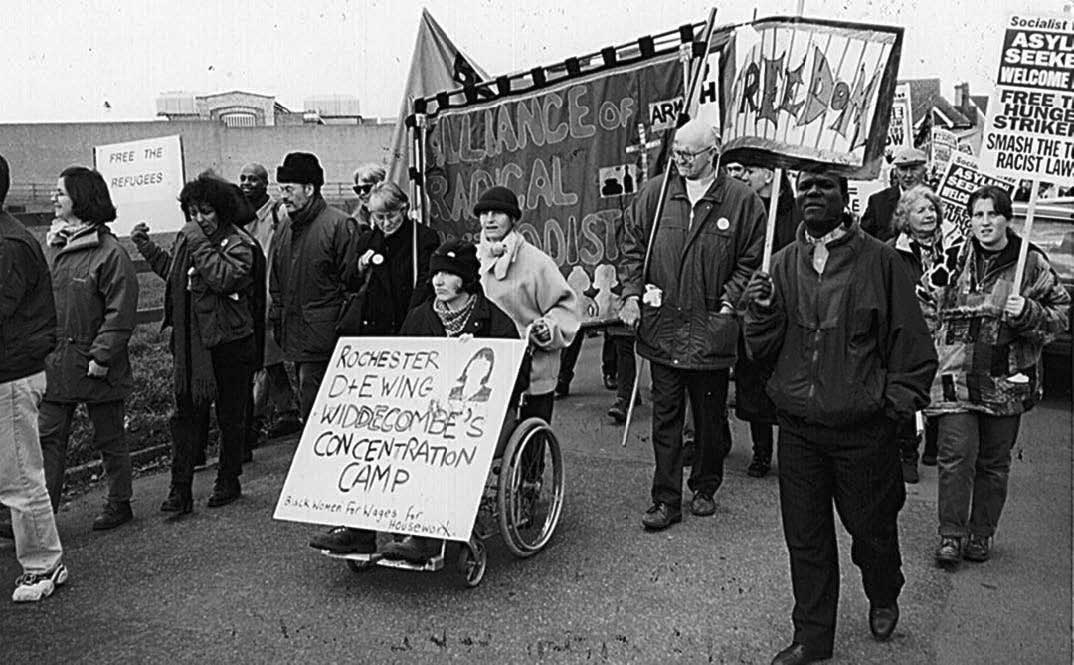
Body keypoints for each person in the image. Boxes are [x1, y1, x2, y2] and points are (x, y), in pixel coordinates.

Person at [743, 166, 937, 665]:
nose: (812, 193)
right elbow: (760, 351)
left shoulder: (882, 262)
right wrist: (760, 314)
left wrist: (891, 407)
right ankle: (812, 636)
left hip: (862, 431)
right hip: (801, 431)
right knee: (805, 540)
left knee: (871, 531)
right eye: (804, 185)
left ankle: (883, 590)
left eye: (823, 185)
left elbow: (911, 348)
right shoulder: (782, 264)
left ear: (844, 195)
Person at [619, 119, 765, 531]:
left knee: (709, 418)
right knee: (665, 419)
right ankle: (665, 499)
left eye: (689, 154)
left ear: (713, 152)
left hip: (710, 331)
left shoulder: (741, 201)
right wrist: (631, 294)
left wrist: (728, 301)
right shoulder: (655, 193)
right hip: (663, 328)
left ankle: (705, 485)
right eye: (677, 152)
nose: (680, 160)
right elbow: (630, 245)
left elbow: (752, 259)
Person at [922, 185, 1069, 567]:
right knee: (955, 456)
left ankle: (981, 534)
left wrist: (1029, 313)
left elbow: (1061, 316)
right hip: (956, 377)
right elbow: (924, 302)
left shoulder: (1031, 264)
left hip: (1006, 382)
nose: (985, 222)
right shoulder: (953, 259)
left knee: (993, 462)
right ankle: (951, 535)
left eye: (993, 214)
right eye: (977, 215)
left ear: (1008, 218)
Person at [306, 181, 438, 555]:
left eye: (391, 215)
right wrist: (361, 264)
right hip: (374, 347)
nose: (386, 223)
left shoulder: (424, 239)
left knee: (409, 442)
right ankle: (361, 527)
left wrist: (411, 333)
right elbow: (346, 280)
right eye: (378, 216)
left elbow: (427, 288)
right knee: (372, 442)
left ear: (405, 208)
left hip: (412, 344)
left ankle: (416, 529)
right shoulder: (369, 239)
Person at [379, 239, 520, 563]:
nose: (439, 281)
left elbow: (515, 378)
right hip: (425, 411)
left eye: (448, 273)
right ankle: (359, 526)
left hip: (481, 415)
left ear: (467, 278)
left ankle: (426, 536)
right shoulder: (419, 319)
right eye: (435, 274)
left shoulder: (495, 322)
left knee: (440, 445)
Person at [132, 174, 259, 511]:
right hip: (192, 346)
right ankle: (179, 490)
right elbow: (174, 274)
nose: (198, 219)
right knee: (185, 417)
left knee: (231, 418)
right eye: (192, 212)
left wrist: (194, 238)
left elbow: (222, 277)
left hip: (230, 344)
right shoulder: (189, 240)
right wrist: (145, 247)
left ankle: (228, 480)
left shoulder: (239, 245)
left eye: (205, 212)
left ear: (221, 212)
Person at [39, 166, 138, 530]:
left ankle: (119, 501)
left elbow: (120, 310)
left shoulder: (110, 253)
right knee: (48, 437)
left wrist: (102, 355)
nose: (54, 198)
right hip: (57, 362)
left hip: (95, 363)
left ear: (80, 199)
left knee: (109, 436)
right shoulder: (55, 246)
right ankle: (42, 512)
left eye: (61, 192)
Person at [0, 154, 69, 602]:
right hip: (9, 369)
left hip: (10, 375)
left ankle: (45, 563)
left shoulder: (8, 245)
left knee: (20, 476)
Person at [475, 186, 581, 426]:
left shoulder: (536, 262)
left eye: (497, 213)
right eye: (484, 213)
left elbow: (566, 307)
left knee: (530, 443)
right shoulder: (471, 259)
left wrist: (547, 327)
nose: (489, 219)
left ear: (512, 219)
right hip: (485, 369)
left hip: (532, 366)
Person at [268, 152, 357, 421]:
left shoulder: (340, 225)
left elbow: (352, 283)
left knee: (317, 398)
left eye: (289, 189)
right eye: (281, 189)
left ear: (310, 189)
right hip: (295, 332)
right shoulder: (284, 227)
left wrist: (340, 325)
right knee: (310, 395)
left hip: (328, 335)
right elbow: (277, 280)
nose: (283, 195)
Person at [888, 185, 960, 483]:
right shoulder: (893, 250)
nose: (929, 214)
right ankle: (907, 452)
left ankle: (934, 443)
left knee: (944, 390)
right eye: (921, 210)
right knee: (910, 392)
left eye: (932, 209)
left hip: (947, 333)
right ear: (906, 218)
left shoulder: (955, 246)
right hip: (911, 333)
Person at [732, 160, 799, 478]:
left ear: (769, 175)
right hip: (755, 308)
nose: (745, 177)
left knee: (784, 383)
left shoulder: (794, 213)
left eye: (751, 172)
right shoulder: (748, 211)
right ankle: (761, 452)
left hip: (787, 309)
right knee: (754, 382)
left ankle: (790, 453)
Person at [238, 163, 301, 441]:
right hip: (250, 296)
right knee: (266, 359)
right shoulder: (241, 216)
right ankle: (286, 409)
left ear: (265, 184)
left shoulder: (279, 214)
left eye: (253, 179)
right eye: (243, 178)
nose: (247, 183)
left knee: (268, 358)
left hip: (274, 293)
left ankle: (255, 420)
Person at [860, 147, 928, 242]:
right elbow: (864, 239)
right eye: (903, 169)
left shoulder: (937, 199)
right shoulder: (878, 201)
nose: (908, 175)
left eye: (914, 169)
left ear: (924, 171)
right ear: (896, 172)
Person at [351, 163, 386, 230]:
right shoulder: (355, 221)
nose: (362, 193)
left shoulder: (392, 217)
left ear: (379, 186)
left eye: (366, 188)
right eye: (357, 190)